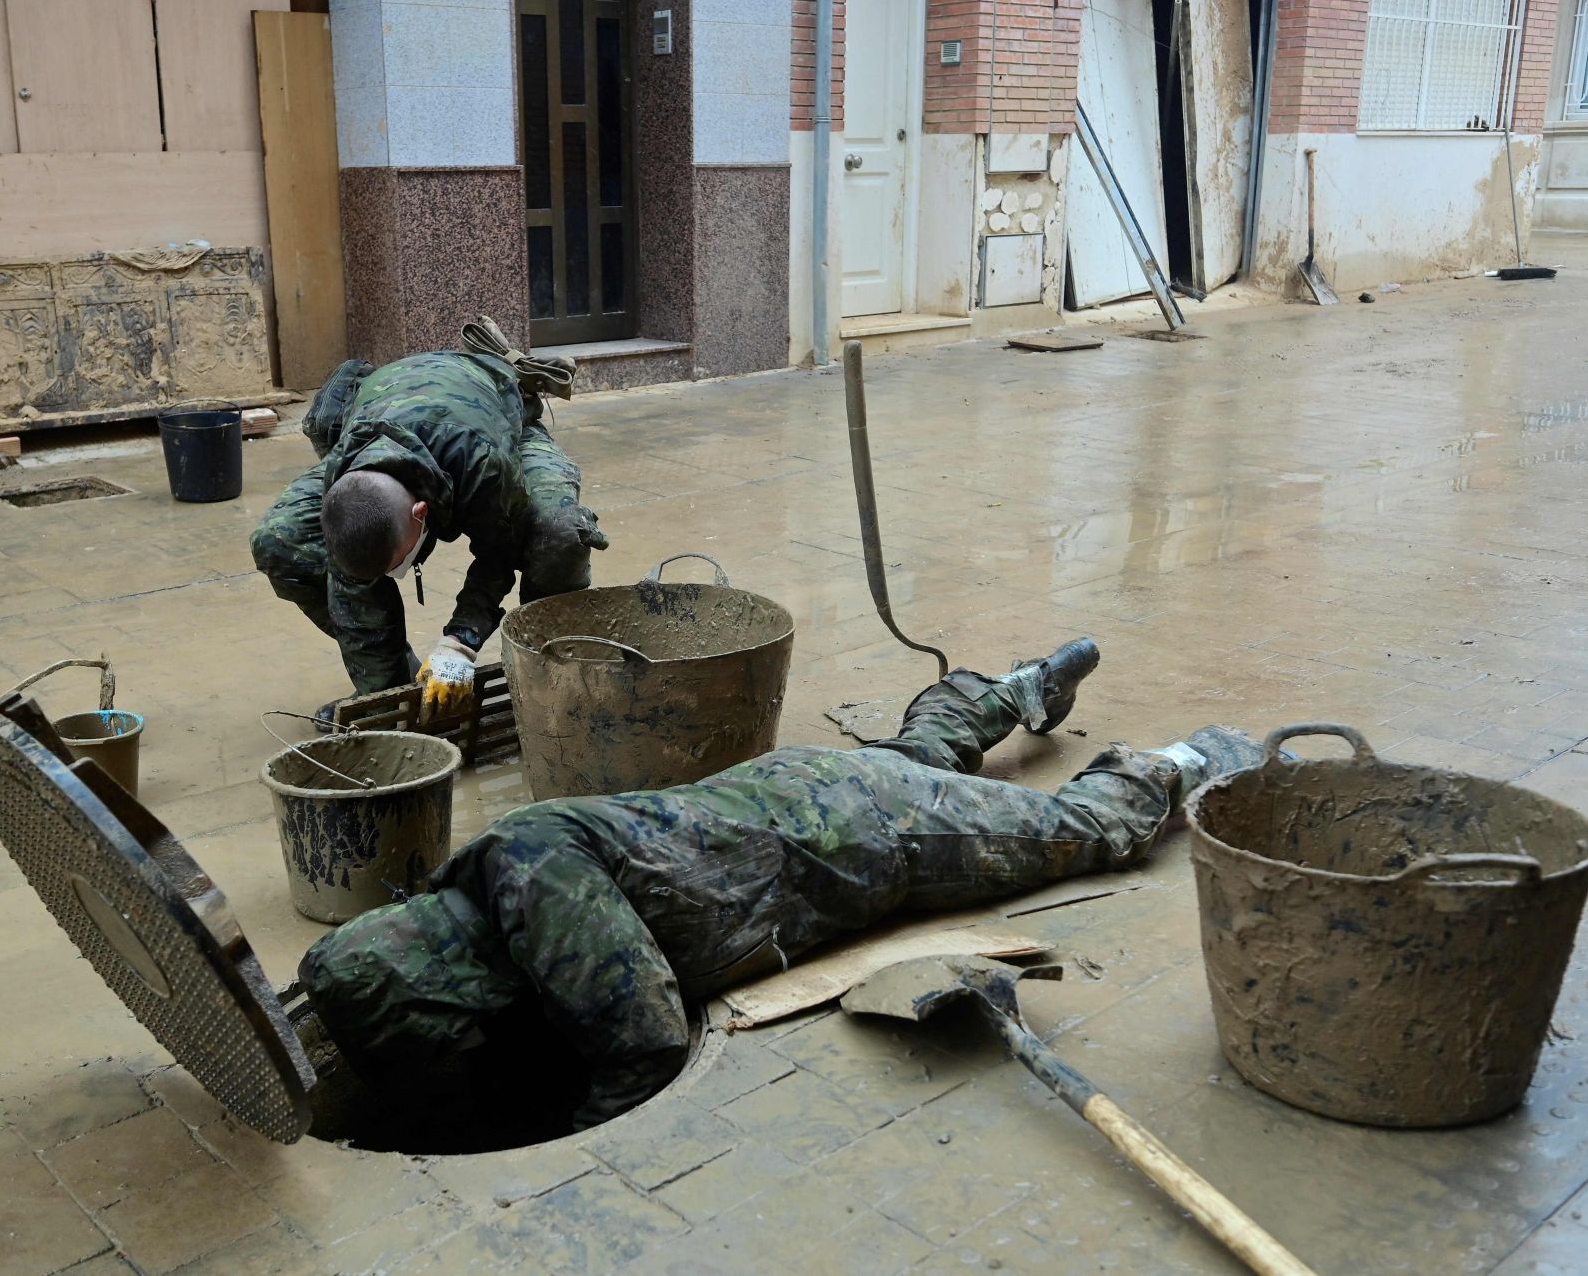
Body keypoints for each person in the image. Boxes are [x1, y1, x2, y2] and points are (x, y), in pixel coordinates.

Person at [295, 637, 1272, 1134]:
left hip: (860, 839)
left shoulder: (539, 874)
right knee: (911, 758)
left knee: (1078, 830)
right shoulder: (492, 885)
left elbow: (640, 1047)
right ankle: (1009, 695)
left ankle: (1195, 754)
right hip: (799, 795)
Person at [250, 318, 605, 718]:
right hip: (393, 421)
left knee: (557, 534)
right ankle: (390, 689)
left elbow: (499, 555)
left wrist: (460, 642)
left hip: (502, 427)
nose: (397, 570)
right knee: (281, 540)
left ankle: (549, 680)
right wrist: (382, 695)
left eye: (398, 561)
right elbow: (350, 572)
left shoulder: (482, 462)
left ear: (422, 512)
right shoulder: (345, 461)